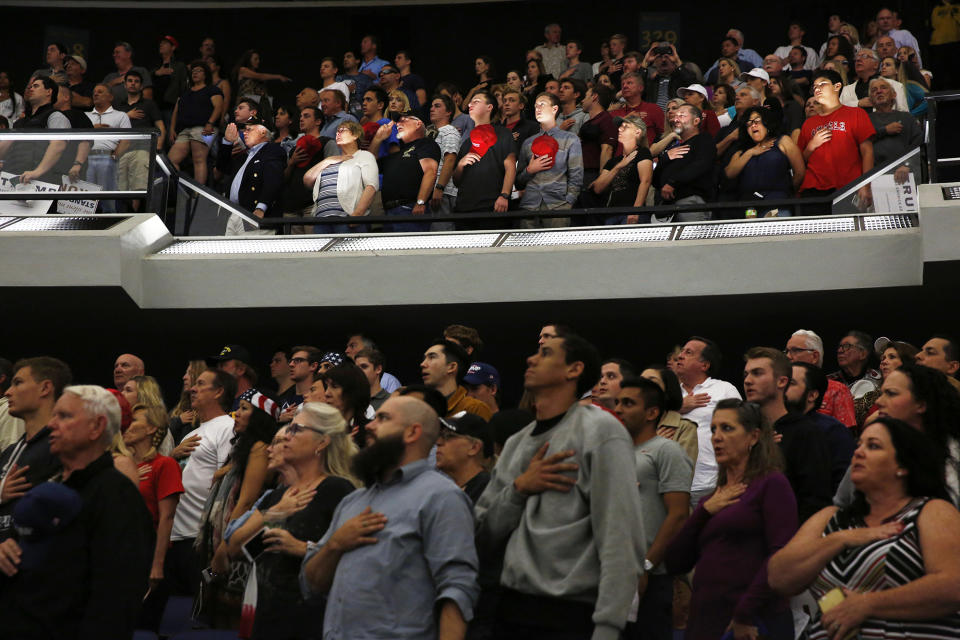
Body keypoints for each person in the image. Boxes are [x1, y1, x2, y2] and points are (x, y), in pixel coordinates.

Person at [475, 333, 646, 640]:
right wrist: (519, 489)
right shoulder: (516, 444)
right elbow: (482, 536)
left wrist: (608, 627)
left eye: (545, 353)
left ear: (574, 369)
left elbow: (620, 536)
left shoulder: (601, 431)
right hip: (511, 607)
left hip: (572, 613)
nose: (531, 359)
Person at [300, 395, 480, 639]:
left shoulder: (441, 497)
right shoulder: (353, 502)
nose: (370, 426)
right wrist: (335, 545)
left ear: (411, 432)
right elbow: (311, 586)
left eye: (383, 418)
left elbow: (457, 590)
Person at [769, 418, 960, 640]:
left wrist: (868, 604)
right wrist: (840, 539)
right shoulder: (832, 518)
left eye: (873, 446)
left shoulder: (931, 511)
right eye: (859, 444)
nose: (858, 452)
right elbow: (778, 577)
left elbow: (953, 585)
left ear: (902, 466)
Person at [0, 385, 154, 640]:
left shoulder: (116, 495)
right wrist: (7, 549)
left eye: (65, 417)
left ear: (96, 427)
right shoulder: (51, 485)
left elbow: (116, 597)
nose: (52, 425)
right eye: (54, 416)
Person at [665, 398, 797, 640]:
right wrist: (703, 514)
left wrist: (745, 613)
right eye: (714, 429)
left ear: (753, 437)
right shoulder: (711, 500)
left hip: (753, 623)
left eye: (727, 428)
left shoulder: (771, 484)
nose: (716, 436)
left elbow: (781, 557)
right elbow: (674, 562)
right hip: (706, 621)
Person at [227, 402, 357, 639]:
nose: (286, 436)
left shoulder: (337, 490)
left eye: (296, 430)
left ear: (322, 442)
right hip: (267, 617)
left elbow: (354, 557)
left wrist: (303, 549)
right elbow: (234, 548)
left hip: (311, 619)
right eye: (288, 428)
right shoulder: (279, 495)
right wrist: (275, 513)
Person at [614, 377, 693, 640]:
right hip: (612, 572)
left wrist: (647, 565)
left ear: (651, 412)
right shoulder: (613, 453)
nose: (619, 409)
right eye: (617, 402)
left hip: (651, 576)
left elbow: (679, 514)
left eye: (628, 403)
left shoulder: (666, 450)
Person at [196, 387, 278, 628]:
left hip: (238, 543)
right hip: (224, 536)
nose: (236, 414)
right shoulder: (243, 448)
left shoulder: (259, 448)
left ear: (259, 417)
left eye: (244, 409)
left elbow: (247, 501)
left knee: (229, 614)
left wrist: (225, 545)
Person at [835, 363, 960, 508]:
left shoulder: (953, 457)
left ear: (921, 404)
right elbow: (839, 507)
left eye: (891, 393)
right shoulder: (867, 451)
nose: (878, 402)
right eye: (882, 394)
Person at [168, 369, 236, 597]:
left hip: (199, 537)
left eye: (200, 384)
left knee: (198, 615)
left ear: (218, 392)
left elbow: (227, 479)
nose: (192, 389)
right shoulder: (191, 434)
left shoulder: (227, 427)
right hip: (175, 535)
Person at [124, 402, 184, 630]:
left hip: (147, 553)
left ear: (151, 429)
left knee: (141, 627)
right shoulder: (121, 466)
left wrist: (157, 565)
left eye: (134, 420)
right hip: (121, 553)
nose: (127, 426)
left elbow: (166, 518)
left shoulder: (164, 464)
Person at [0, 357, 72, 541]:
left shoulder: (65, 448)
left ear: (45, 388)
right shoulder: (9, 452)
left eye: (18, 383)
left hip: (39, 564)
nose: (8, 392)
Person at [673, 337, 742, 509]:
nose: (680, 356)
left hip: (712, 483)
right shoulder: (667, 393)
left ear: (704, 365)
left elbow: (743, 430)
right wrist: (677, 407)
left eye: (688, 353)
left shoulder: (724, 389)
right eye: (681, 352)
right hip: (672, 485)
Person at [798, 70, 875, 210]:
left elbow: (867, 152)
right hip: (813, 189)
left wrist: (866, 185)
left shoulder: (856, 114)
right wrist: (811, 146)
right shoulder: (808, 123)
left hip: (848, 187)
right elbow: (799, 161)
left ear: (837, 86)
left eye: (822, 84)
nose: (817, 89)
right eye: (814, 87)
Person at [515, 92, 583, 228]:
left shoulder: (570, 139)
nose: (537, 108)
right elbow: (518, 182)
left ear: (555, 109)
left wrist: (568, 202)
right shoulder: (528, 143)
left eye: (542, 104)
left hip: (558, 205)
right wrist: (529, 170)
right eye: (535, 106)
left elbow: (576, 175)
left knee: (556, 248)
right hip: (529, 206)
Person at [786, 362, 856, 492]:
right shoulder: (773, 426)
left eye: (791, 383)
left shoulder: (833, 432)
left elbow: (842, 486)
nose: (782, 388)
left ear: (812, 395)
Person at [724, 106, 804, 216]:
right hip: (749, 208)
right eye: (749, 123)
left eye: (757, 121)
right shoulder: (742, 151)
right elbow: (729, 173)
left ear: (767, 123)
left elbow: (800, 172)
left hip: (777, 204)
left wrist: (785, 191)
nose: (753, 125)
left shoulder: (783, 141)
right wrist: (751, 152)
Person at [303, 120, 378, 234]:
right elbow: (307, 180)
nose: (338, 134)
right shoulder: (332, 160)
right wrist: (328, 160)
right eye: (337, 132)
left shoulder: (364, 156)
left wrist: (357, 215)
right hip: (322, 220)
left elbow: (371, 186)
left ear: (355, 135)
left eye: (342, 130)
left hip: (346, 218)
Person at [369, 112, 439, 232]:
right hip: (388, 212)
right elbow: (369, 163)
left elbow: (430, 171)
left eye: (404, 120)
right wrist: (378, 138)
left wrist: (420, 202)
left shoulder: (425, 144)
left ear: (418, 123)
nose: (398, 123)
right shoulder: (396, 154)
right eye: (398, 121)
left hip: (410, 209)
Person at [453, 91, 517, 224]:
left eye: (476, 101)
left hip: (492, 206)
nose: (470, 104)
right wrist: (460, 165)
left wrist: (504, 195)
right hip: (464, 208)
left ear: (490, 107)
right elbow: (456, 181)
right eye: (470, 102)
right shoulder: (467, 141)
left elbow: (510, 165)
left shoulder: (503, 133)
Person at [219, 116, 286, 231]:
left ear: (263, 131)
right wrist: (227, 142)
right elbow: (222, 167)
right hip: (233, 214)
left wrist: (261, 207)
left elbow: (273, 180)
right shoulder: (244, 156)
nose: (245, 133)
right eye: (244, 130)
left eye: (249, 129)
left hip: (254, 215)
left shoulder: (272, 150)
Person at [652, 104, 716, 220]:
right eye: (675, 116)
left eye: (682, 116)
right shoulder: (673, 148)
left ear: (696, 121)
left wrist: (673, 182)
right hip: (668, 208)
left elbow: (701, 164)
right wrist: (665, 158)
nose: (676, 119)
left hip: (691, 202)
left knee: (691, 237)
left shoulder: (704, 139)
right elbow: (655, 181)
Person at [785, 330, 857, 429]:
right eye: (787, 351)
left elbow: (847, 434)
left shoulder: (837, 390)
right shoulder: (781, 387)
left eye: (795, 350)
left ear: (814, 356)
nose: (788, 356)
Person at [167, 60, 223, 185]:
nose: (195, 73)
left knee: (199, 159)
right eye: (193, 71)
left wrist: (210, 122)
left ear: (206, 74)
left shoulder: (212, 90)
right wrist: (172, 129)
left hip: (204, 127)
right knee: (171, 159)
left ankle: (199, 194)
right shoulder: (186, 92)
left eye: (199, 71)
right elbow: (176, 111)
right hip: (185, 129)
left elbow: (219, 107)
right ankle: (182, 189)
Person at [590, 115, 653, 222]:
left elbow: (645, 182)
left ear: (637, 132)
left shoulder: (643, 153)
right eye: (620, 127)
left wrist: (635, 211)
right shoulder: (614, 161)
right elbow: (597, 188)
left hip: (631, 211)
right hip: (611, 213)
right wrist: (618, 167)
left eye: (625, 127)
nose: (619, 129)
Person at [640, 365, 699, 465]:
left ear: (667, 392)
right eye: (640, 382)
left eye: (652, 382)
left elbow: (680, 475)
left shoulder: (684, 428)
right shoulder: (628, 425)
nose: (644, 387)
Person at [421, 339, 493, 420]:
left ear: (452, 367)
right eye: (424, 358)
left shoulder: (474, 409)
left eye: (432, 357)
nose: (422, 364)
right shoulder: (419, 407)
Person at [436, 411, 492, 504]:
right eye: (440, 435)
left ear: (474, 448)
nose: (438, 442)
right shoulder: (443, 488)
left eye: (449, 436)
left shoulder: (487, 491)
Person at [868, 78, 922, 167]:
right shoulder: (865, 119)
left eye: (883, 88)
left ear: (894, 94)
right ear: (870, 100)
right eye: (874, 90)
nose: (879, 91)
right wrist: (885, 130)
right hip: (874, 175)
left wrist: (907, 165)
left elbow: (919, 145)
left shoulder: (907, 118)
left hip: (906, 173)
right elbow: (862, 141)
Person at [321, 363, 371, 448]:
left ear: (352, 392)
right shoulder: (319, 428)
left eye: (334, 386)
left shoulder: (370, 431)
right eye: (327, 386)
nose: (326, 393)